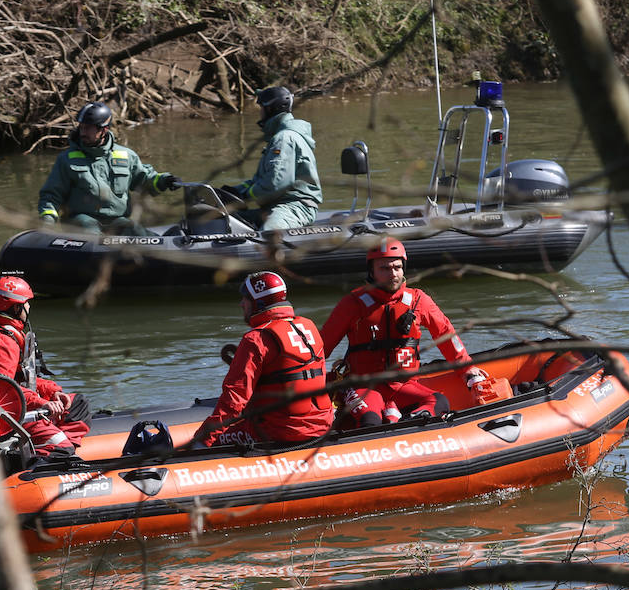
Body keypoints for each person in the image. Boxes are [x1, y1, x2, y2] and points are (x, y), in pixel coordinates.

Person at [320, 238, 506, 426]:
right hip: (363, 386)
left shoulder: (418, 300)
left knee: (439, 402)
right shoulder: (352, 304)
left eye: (397, 267)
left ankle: (407, 427)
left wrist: (467, 369)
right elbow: (322, 347)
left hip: (403, 386)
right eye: (384, 268)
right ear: (372, 271)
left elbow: (445, 334)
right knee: (370, 421)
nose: (392, 273)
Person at [191, 271, 334, 448]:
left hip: (279, 431)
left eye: (245, 299)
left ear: (258, 303)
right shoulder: (309, 327)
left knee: (207, 440)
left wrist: (203, 439)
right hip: (322, 425)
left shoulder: (255, 339)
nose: (241, 304)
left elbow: (234, 400)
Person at [0, 274, 91, 459]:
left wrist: (53, 391)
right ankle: (44, 459)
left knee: (77, 404)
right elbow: (2, 393)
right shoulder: (0, 343)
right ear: (16, 307)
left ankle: (62, 454)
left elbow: (20, 379)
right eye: (26, 303)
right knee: (60, 448)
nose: (29, 307)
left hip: (16, 404)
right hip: (6, 416)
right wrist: (42, 403)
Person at [36, 101, 179, 235]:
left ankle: (172, 242)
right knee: (88, 228)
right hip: (80, 221)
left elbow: (144, 180)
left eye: (88, 128)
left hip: (116, 221)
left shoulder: (126, 156)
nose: (82, 132)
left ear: (103, 130)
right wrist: (47, 223)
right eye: (81, 126)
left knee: (134, 229)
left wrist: (164, 180)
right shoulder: (66, 159)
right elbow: (51, 195)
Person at [219, 86, 322, 231]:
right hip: (275, 207)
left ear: (271, 108)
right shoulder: (279, 138)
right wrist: (234, 192)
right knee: (225, 221)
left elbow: (275, 184)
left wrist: (246, 195)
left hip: (295, 206)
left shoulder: (284, 138)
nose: (259, 113)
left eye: (261, 107)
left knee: (269, 232)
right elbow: (261, 180)